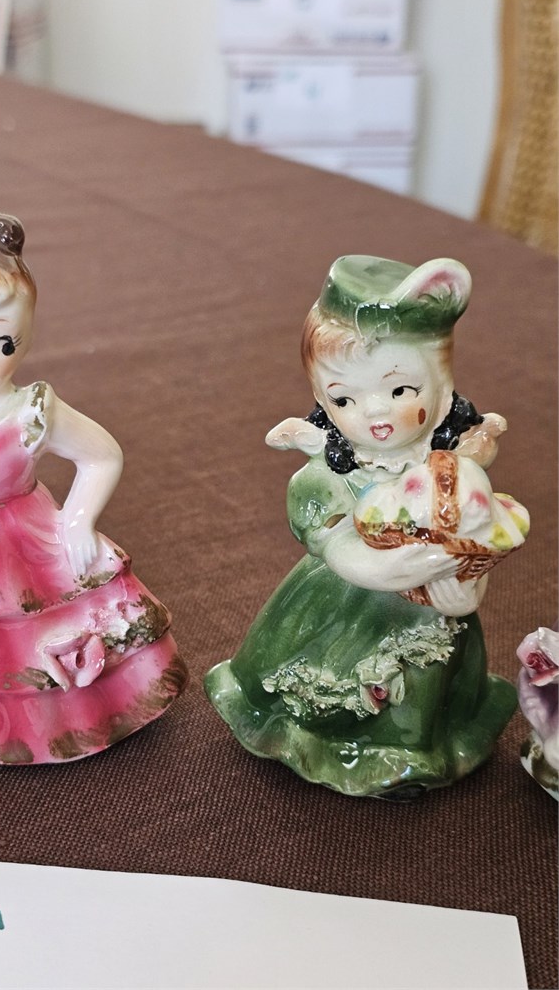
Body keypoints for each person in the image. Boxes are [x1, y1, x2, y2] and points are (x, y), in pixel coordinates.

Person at [205, 255, 527, 798]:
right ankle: (322, 737)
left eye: (400, 391)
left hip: (433, 611)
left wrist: (465, 586)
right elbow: (345, 554)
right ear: (321, 398)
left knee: (423, 682)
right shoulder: (325, 478)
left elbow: (477, 538)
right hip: (341, 608)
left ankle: (404, 754)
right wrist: (415, 564)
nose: (374, 413)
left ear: (441, 389)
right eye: (344, 398)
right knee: (335, 679)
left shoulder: (450, 473)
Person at [0, 208, 186, 765]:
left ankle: (91, 717)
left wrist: (79, 520)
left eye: (0, 341)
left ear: (24, 337)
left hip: (32, 539)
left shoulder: (32, 411)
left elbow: (102, 455)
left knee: (55, 627)